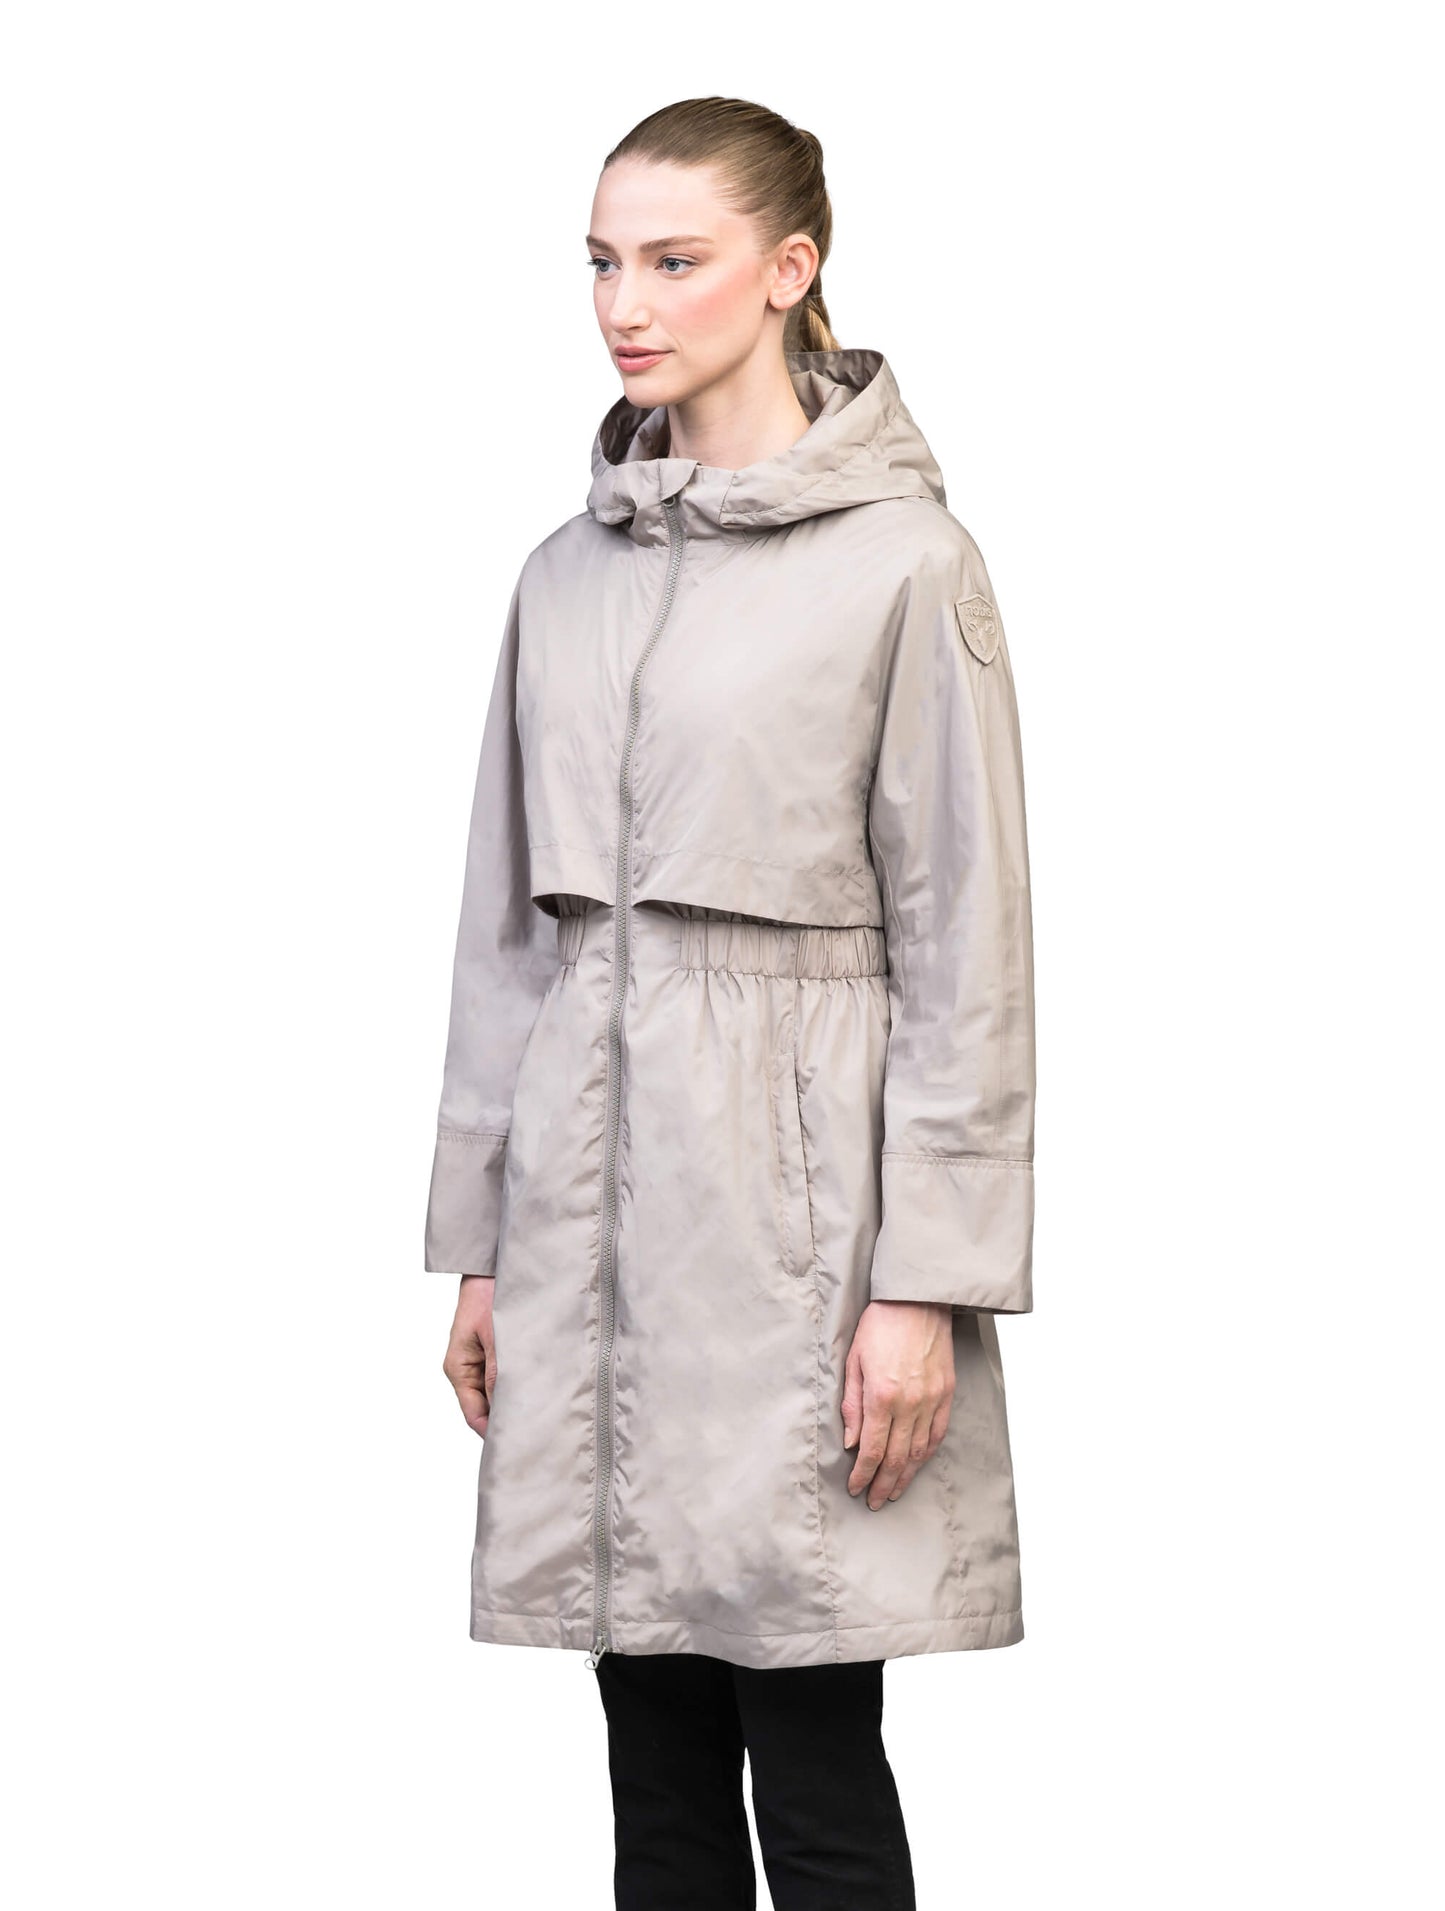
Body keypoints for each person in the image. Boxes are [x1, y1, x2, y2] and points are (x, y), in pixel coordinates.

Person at [425, 94, 1037, 1911]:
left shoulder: (906, 565)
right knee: (655, 1774)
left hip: (802, 1247)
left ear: (789, 270)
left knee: (815, 1761)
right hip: (593, 1233)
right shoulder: (562, 578)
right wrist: (482, 1245)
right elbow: (507, 941)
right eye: (601, 262)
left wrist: (924, 1287)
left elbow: (967, 949)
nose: (625, 304)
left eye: (673, 261)